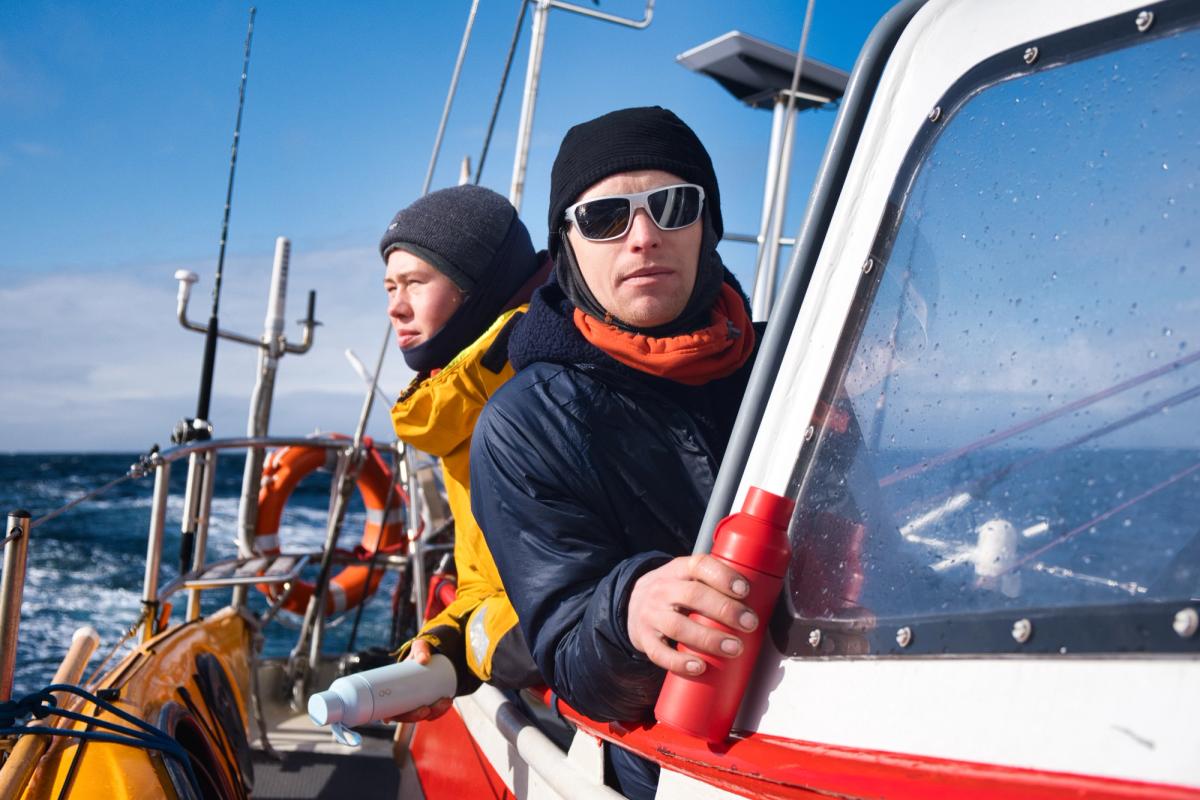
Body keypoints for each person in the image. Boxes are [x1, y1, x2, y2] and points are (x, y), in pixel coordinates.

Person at [470, 107, 762, 798]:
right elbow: (571, 656)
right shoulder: (523, 424)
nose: (643, 237)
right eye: (605, 217)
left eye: (672, 206)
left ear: (707, 227)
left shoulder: (795, 371)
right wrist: (629, 610)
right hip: (672, 773)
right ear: (567, 243)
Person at [381, 184, 549, 720]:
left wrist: (480, 643)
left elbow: (565, 599)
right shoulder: (461, 404)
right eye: (388, 287)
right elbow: (488, 580)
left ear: (479, 287)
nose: (395, 308)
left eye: (415, 283)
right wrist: (445, 643)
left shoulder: (539, 389)